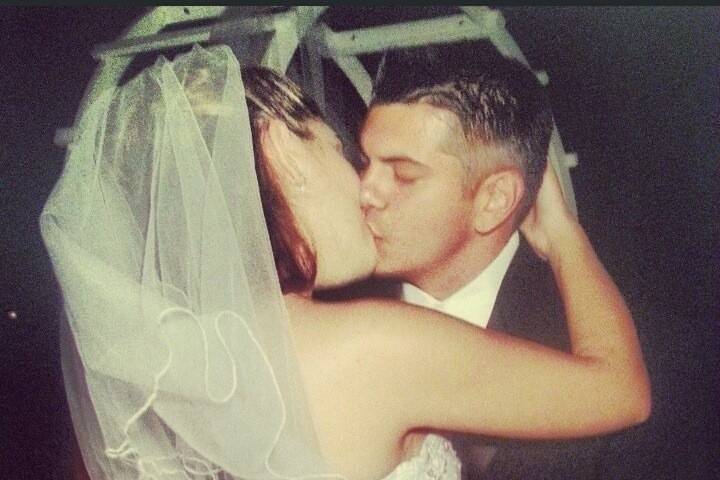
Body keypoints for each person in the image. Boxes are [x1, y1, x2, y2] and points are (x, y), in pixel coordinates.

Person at [42, 45, 649, 480]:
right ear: (286, 153)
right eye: (344, 152)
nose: (365, 190)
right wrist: (566, 235)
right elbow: (620, 389)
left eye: (399, 173)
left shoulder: (166, 364)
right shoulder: (369, 343)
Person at [355, 44, 602, 478]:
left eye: (403, 174)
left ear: (493, 200)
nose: (365, 192)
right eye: (364, 164)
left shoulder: (585, 341)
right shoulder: (326, 313)